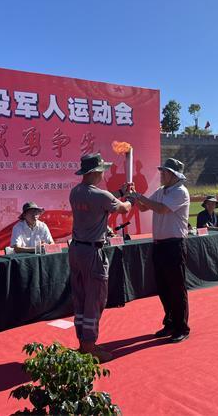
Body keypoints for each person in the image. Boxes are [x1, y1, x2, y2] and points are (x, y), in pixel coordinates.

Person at [69, 153, 132, 362]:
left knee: (81, 297)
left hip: (76, 250)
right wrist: (130, 198)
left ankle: (83, 342)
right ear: (96, 172)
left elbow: (102, 199)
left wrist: (120, 192)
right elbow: (122, 208)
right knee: (95, 299)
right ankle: (89, 346)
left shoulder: (76, 192)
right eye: (102, 170)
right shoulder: (100, 195)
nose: (104, 173)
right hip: (92, 253)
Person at [130, 158, 191, 344]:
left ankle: (182, 327)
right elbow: (143, 208)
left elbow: (161, 209)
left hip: (174, 245)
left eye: (164, 172)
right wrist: (134, 196)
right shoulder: (161, 191)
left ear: (174, 175)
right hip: (159, 245)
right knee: (163, 288)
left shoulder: (180, 192)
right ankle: (170, 323)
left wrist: (139, 196)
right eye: (162, 171)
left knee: (176, 288)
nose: (161, 174)